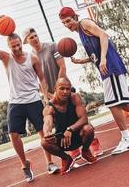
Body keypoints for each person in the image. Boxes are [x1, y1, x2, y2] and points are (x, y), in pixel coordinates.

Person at [59, 7, 129, 155]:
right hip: (106, 69)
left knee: (113, 103)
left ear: (74, 16)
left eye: (68, 21)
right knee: (120, 102)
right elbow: (96, 54)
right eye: (64, 23)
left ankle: (127, 138)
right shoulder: (80, 32)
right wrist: (83, 60)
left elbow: (104, 35)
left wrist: (104, 59)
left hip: (110, 67)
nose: (67, 25)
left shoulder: (85, 23)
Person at [0, 16, 58, 182]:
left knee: (43, 133)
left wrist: (45, 98)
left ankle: (50, 163)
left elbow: (42, 79)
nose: (16, 48)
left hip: (33, 100)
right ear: (8, 47)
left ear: (21, 44)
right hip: (16, 102)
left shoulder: (33, 58)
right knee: (13, 135)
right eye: (13, 46)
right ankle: (25, 164)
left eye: (18, 45)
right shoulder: (6, 58)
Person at [22, 27, 103, 159]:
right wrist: (47, 95)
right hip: (50, 94)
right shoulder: (31, 58)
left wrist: (58, 89)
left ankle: (93, 143)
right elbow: (37, 80)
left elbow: (62, 67)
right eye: (31, 37)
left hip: (64, 88)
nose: (35, 38)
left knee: (80, 117)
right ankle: (73, 149)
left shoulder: (52, 46)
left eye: (36, 35)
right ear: (26, 41)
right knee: (60, 121)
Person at [41, 77, 97, 175]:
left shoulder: (75, 98)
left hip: (78, 135)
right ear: (55, 89)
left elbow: (84, 118)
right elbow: (47, 123)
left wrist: (70, 129)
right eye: (62, 88)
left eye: (68, 89)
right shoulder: (49, 107)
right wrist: (47, 133)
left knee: (88, 129)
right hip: (63, 142)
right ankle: (66, 158)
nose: (65, 91)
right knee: (44, 142)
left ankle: (85, 151)